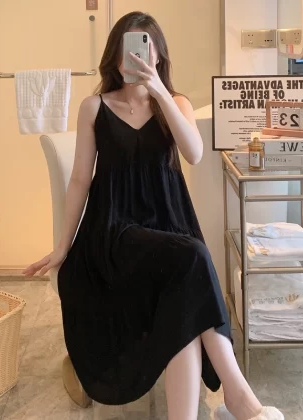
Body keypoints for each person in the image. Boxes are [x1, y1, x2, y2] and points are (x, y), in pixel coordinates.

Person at [24, 11, 284, 420]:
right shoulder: (95, 107)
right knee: (192, 258)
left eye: (144, 48)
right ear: (114, 56)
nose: (135, 58)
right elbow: (79, 180)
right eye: (126, 48)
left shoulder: (175, 103)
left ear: (158, 55)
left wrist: (159, 91)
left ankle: (214, 407)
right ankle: (238, 396)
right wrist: (62, 245)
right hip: (115, 231)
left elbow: (194, 153)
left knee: (184, 292)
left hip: (168, 225)